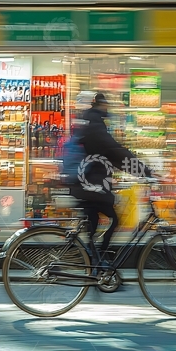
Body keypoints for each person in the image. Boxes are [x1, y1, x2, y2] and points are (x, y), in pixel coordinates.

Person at [70, 93, 152, 260]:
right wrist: (145, 171)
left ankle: (97, 263)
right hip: (90, 186)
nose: (108, 107)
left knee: (95, 225)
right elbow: (116, 153)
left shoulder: (91, 123)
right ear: (100, 105)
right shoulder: (96, 127)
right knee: (113, 220)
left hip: (87, 185)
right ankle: (99, 262)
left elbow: (113, 155)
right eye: (106, 104)